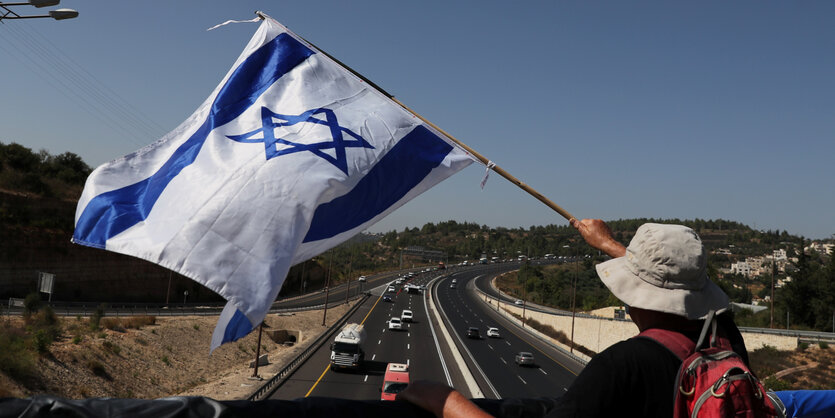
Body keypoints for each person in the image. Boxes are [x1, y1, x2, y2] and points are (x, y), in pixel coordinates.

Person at [399, 219, 749, 417]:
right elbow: (676, 277)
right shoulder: (727, 341)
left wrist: (448, 402)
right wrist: (610, 244)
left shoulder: (625, 365)